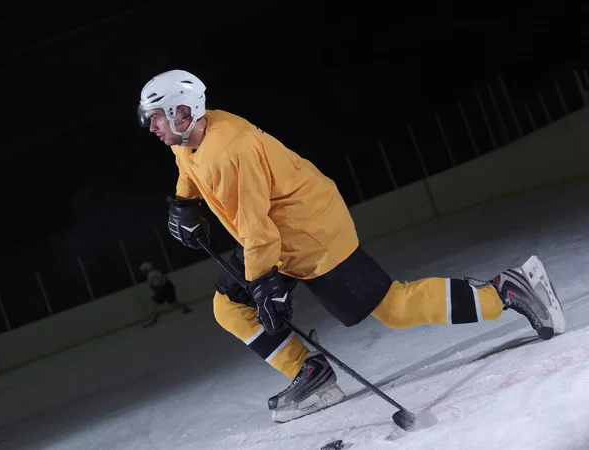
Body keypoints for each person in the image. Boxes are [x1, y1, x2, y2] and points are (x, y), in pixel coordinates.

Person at [137, 69, 566, 422]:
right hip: (274, 235)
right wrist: (184, 202)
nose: (150, 126)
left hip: (311, 233)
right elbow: (191, 170)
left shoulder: (229, 151)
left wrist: (267, 281)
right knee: (229, 305)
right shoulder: (192, 136)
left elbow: (257, 229)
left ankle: (506, 291)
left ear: (181, 111)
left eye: (155, 117)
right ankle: (312, 371)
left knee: (393, 309)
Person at [139, 261, 192, 327]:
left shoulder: (151, 275)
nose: (143, 272)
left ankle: (153, 319)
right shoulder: (155, 272)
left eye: (144, 271)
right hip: (168, 287)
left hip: (164, 289)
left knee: (154, 305)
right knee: (172, 302)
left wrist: (156, 293)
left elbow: (158, 285)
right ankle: (185, 307)